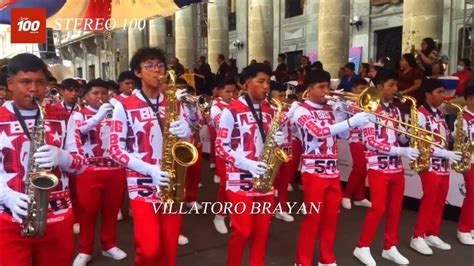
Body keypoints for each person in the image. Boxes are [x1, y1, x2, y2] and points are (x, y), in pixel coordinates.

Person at [109, 47, 196, 266]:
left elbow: (188, 144)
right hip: (142, 184)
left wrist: (186, 132)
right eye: (149, 66)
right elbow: (115, 149)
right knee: (148, 250)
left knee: (169, 248)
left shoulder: (173, 102)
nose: (157, 70)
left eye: (160, 65)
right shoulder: (123, 106)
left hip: (172, 182)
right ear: (137, 73)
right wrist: (151, 170)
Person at [0, 53, 86, 266]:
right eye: (25, 82)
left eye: (40, 82)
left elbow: (81, 164)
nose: (33, 89)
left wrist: (62, 156)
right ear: (10, 84)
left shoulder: (65, 117)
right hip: (9, 217)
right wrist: (6, 195)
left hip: (57, 217)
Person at [292, 69, 371, 266]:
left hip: (332, 172)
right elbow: (318, 132)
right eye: (321, 87)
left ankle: (326, 259)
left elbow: (342, 136)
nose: (326, 91)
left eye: (328, 86)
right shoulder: (301, 110)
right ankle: (302, 261)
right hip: (313, 173)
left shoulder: (328, 109)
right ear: (309, 89)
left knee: (330, 220)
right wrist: (350, 121)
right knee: (312, 219)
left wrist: (340, 116)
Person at [216, 63, 285, 266]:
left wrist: (277, 141)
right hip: (239, 180)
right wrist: (246, 164)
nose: (266, 87)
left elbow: (267, 140)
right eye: (260, 81)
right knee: (242, 231)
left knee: (262, 232)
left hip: (264, 179)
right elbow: (221, 146)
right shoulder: (232, 110)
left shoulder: (270, 110)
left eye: (267, 82)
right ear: (246, 84)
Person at [353, 70, 420, 265]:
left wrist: (408, 135)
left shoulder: (395, 110)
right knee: (378, 208)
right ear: (380, 87)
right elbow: (371, 142)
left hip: (396, 167)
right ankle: (362, 246)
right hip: (378, 166)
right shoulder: (367, 109)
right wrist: (401, 151)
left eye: (396, 85)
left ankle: (390, 246)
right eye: (391, 85)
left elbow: (399, 138)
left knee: (395, 209)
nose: (396, 89)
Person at [72, 79, 128, 266]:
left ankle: (109, 245)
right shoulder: (79, 114)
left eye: (104, 93)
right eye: (95, 93)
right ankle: (85, 250)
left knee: (111, 211)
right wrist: (97, 118)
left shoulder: (116, 114)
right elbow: (78, 132)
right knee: (88, 212)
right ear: (86, 96)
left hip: (115, 169)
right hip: (89, 170)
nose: (100, 97)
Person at [409, 79, 462, 255]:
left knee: (440, 200)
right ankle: (417, 236)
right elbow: (421, 142)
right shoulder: (420, 114)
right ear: (428, 94)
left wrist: (457, 132)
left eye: (442, 92)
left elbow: (446, 137)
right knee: (430, 199)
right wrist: (445, 153)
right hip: (429, 164)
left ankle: (432, 233)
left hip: (443, 165)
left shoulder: (440, 113)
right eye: (439, 92)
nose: (443, 95)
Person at [210, 78, 238, 234]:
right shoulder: (215, 107)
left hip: (240, 151)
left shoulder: (238, 105)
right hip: (224, 151)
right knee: (225, 185)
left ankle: (236, 215)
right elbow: (223, 124)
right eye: (228, 91)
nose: (232, 94)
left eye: (234, 91)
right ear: (219, 91)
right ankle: (219, 216)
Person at [341, 77, 372, 209]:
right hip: (355, 139)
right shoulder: (349, 103)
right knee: (360, 166)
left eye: (365, 89)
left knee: (364, 168)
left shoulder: (368, 102)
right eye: (360, 89)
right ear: (353, 89)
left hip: (368, 138)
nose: (363, 91)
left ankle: (360, 196)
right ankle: (346, 195)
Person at [457, 84, 474, 245]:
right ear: (469, 99)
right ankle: (463, 229)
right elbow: (459, 139)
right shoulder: (462, 118)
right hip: (469, 160)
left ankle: (472, 225)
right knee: (472, 194)